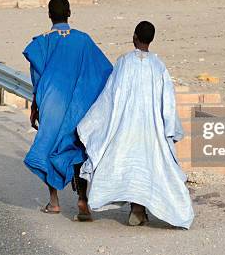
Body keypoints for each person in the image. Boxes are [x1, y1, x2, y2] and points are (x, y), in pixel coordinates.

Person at [77, 21, 194, 229]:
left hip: (126, 126)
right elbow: (168, 101)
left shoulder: (124, 62)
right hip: (152, 129)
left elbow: (110, 97)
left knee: (129, 164)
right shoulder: (159, 67)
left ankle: (137, 210)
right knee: (149, 166)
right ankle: (138, 210)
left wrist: (93, 123)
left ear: (134, 37)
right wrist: (170, 128)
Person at [23, 0, 112, 221]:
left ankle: (54, 203)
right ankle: (83, 200)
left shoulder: (41, 43)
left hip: (53, 106)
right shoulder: (83, 40)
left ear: (49, 15)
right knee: (78, 151)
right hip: (80, 107)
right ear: (70, 13)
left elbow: (38, 80)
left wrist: (35, 107)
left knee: (49, 148)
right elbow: (103, 72)